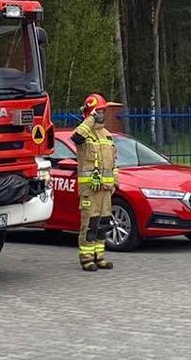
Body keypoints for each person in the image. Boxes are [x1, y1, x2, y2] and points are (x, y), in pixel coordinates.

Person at [70, 93, 117, 271]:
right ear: (90, 113)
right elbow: (76, 137)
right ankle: (87, 259)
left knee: (103, 223)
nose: (101, 115)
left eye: (103, 111)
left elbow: (114, 163)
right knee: (90, 224)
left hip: (106, 190)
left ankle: (100, 257)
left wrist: (115, 183)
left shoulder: (107, 136)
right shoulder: (84, 134)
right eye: (98, 111)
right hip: (89, 190)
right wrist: (90, 119)